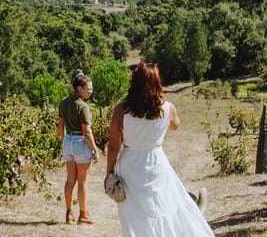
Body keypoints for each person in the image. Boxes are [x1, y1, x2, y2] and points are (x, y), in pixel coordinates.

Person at [105, 62, 214, 237]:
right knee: (162, 207)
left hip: (130, 167)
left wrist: (109, 173)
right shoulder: (167, 108)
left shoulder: (121, 110)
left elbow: (113, 147)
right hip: (156, 162)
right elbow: (175, 126)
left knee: (133, 215)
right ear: (157, 83)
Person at [56, 70, 100, 224]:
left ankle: (68, 213)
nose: (90, 91)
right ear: (80, 88)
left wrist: (63, 141)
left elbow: (60, 125)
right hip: (80, 142)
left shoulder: (63, 102)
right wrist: (94, 149)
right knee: (83, 181)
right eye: (89, 88)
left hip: (68, 141)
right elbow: (86, 131)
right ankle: (83, 215)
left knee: (70, 179)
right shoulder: (83, 106)